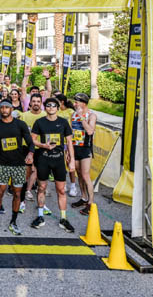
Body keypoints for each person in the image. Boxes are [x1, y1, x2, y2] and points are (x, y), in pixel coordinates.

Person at [0, 99, 34, 236]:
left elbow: (30, 142)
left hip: (18, 165)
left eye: (6, 107)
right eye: (1, 108)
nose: (4, 110)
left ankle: (13, 222)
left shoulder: (20, 124)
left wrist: (31, 153)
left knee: (17, 193)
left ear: (11, 109)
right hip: (2, 164)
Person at [30, 97, 76, 232]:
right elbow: (32, 140)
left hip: (58, 160)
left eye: (54, 105)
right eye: (48, 105)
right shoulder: (39, 122)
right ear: (45, 108)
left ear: (58, 107)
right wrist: (43, 145)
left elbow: (69, 142)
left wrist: (72, 159)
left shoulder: (63, 122)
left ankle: (63, 218)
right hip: (43, 159)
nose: (51, 107)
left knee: (61, 189)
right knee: (41, 187)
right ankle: (40, 216)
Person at [18, 93, 47, 213]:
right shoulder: (24, 116)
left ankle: (42, 204)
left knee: (42, 178)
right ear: (30, 103)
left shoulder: (46, 115)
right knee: (26, 175)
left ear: (41, 103)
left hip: (42, 149)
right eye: (33, 101)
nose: (35, 103)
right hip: (26, 148)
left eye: (38, 101)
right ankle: (21, 201)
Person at [70, 93, 97, 216]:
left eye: (77, 102)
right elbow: (70, 133)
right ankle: (83, 197)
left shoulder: (91, 115)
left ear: (84, 103)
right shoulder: (73, 114)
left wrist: (81, 117)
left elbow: (90, 131)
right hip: (75, 148)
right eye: (74, 102)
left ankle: (91, 203)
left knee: (86, 175)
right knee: (79, 174)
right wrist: (67, 150)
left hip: (85, 148)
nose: (74, 104)